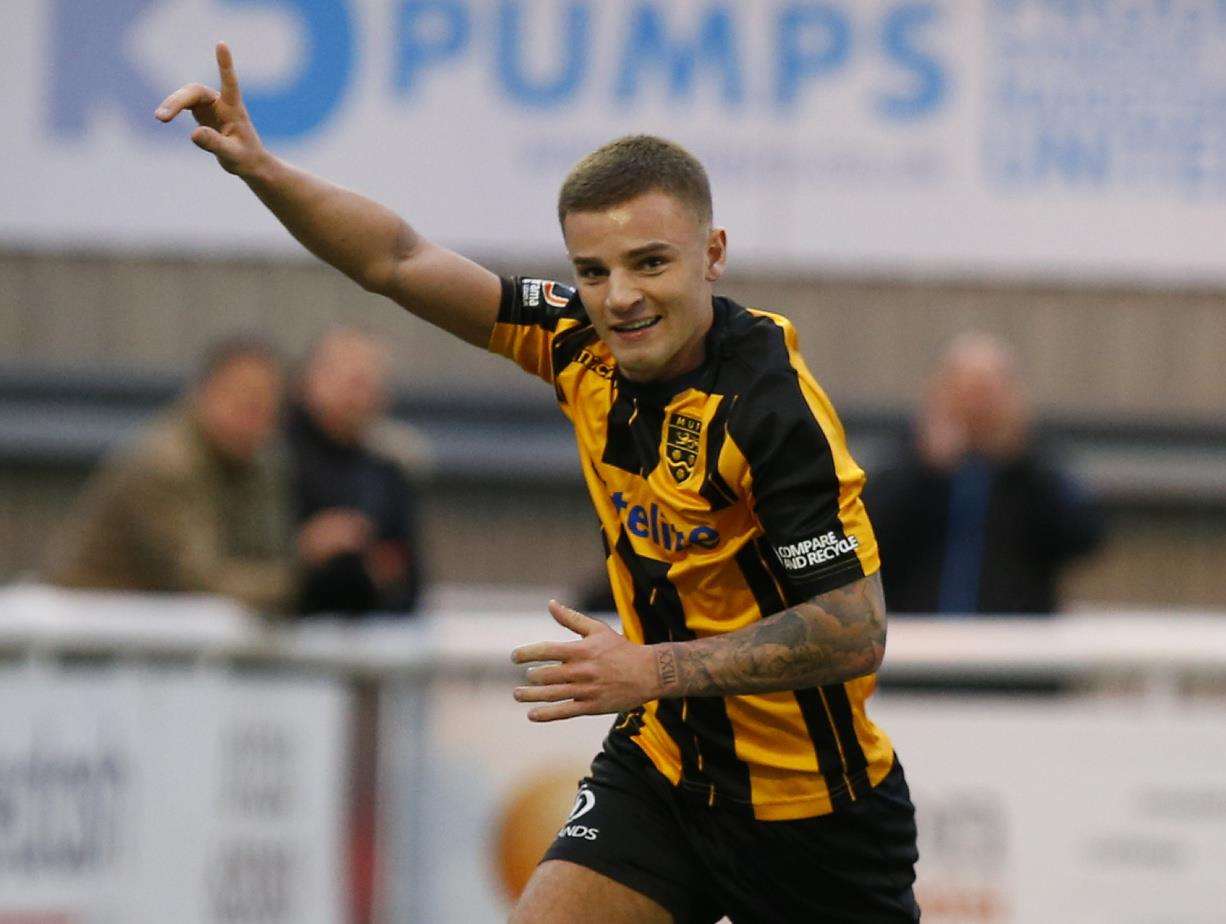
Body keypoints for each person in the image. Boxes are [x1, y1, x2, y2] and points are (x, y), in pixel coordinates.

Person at [157, 44, 919, 923]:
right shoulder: (574, 344)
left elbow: (855, 629)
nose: (619, 297)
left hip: (815, 817)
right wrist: (263, 170)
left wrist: (653, 669)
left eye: (650, 263)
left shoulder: (770, 412)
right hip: (664, 775)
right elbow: (398, 260)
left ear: (713, 253)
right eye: (592, 271)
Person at [44, 336, 297, 612]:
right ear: (205, 392)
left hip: (155, 624)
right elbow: (198, 580)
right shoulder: (167, 463)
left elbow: (262, 553)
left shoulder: (259, 464)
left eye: (266, 407)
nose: (255, 419)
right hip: (88, 622)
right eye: (244, 402)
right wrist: (299, 583)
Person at [866, 331, 1104, 615]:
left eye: (987, 392)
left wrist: (1021, 462)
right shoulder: (906, 456)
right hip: (918, 633)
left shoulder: (1036, 461)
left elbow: (1085, 535)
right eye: (965, 390)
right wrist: (924, 471)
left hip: (1014, 637)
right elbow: (868, 536)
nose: (976, 406)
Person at [288, 326, 428, 615]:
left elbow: (408, 581)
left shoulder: (389, 470)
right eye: (344, 378)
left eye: (365, 383)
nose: (354, 394)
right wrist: (304, 549)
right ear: (304, 380)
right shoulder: (270, 458)